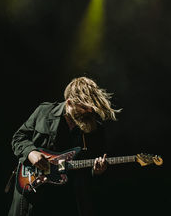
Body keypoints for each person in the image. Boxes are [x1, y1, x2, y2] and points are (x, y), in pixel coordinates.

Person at [8, 77, 119, 216]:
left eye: (91, 108)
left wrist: (96, 171)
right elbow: (18, 138)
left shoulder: (95, 128)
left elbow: (93, 170)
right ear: (69, 103)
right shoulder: (45, 111)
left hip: (67, 198)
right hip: (34, 190)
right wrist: (31, 153)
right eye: (84, 107)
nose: (89, 111)